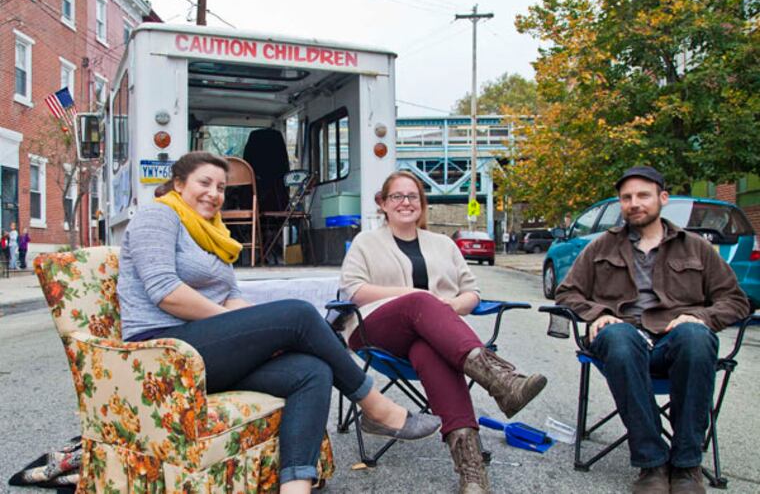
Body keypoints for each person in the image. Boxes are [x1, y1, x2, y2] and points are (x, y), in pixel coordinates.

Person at [118, 152, 441, 494]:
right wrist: (251, 324)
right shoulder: (158, 216)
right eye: (204, 183)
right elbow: (166, 292)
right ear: (179, 184)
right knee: (298, 314)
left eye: (222, 187)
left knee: (312, 370)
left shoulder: (214, 234)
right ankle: (376, 407)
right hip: (160, 350)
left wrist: (265, 333)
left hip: (205, 352)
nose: (214, 193)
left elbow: (231, 297)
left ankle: (296, 487)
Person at [340, 170, 548, 494]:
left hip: (432, 336)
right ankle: (502, 381)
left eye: (413, 196)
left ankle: (472, 474)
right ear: (383, 203)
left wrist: (445, 309)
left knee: (428, 350)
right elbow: (353, 290)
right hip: (375, 330)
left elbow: (472, 293)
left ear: (422, 204)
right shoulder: (366, 242)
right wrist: (412, 298)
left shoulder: (443, 244)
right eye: (397, 196)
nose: (405, 202)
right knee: (419, 300)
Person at [555, 166, 750, 494]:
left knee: (695, 336)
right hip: (624, 342)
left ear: (662, 198)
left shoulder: (695, 247)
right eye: (627, 198)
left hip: (676, 343)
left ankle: (687, 467)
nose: (634, 203)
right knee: (616, 336)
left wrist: (700, 317)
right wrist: (597, 314)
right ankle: (652, 464)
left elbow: (735, 300)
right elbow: (566, 293)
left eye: (643, 195)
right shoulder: (601, 246)